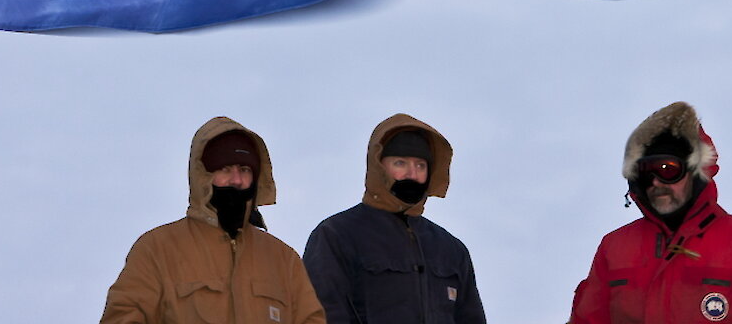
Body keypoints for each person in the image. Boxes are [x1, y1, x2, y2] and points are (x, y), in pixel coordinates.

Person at [571, 101, 732, 324]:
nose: (656, 183)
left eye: (668, 169)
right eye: (645, 173)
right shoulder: (614, 248)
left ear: (695, 171)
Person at [100, 117, 325, 324]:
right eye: (225, 169)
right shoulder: (157, 249)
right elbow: (123, 317)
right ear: (203, 175)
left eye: (244, 170)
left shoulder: (283, 260)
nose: (236, 180)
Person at [303, 114, 485, 324]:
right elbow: (323, 313)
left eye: (420, 166)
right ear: (379, 166)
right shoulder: (337, 235)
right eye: (400, 163)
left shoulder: (451, 249)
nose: (412, 174)